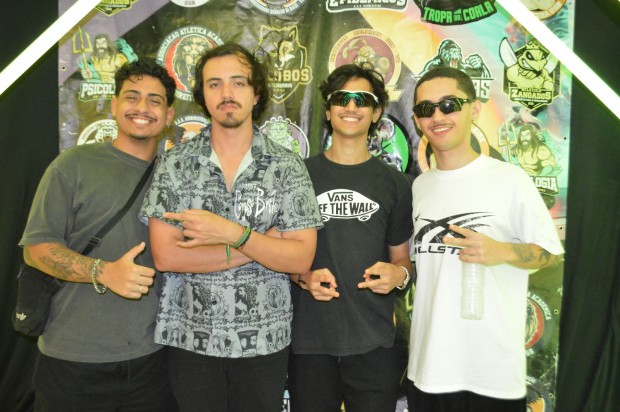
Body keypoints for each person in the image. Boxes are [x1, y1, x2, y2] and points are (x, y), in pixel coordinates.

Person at [140, 43, 322, 412]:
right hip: (190, 339)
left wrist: (231, 233)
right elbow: (167, 256)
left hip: (264, 341)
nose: (227, 93)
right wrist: (256, 244)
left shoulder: (286, 166)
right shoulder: (175, 164)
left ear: (257, 94)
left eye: (238, 83)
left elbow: (300, 259)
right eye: (215, 84)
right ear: (203, 96)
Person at [19, 59, 177, 411]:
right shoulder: (72, 165)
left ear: (169, 115)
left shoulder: (178, 178)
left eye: (154, 100)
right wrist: (103, 271)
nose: (142, 107)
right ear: (114, 105)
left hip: (151, 361)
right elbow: (36, 249)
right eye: (132, 97)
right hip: (72, 360)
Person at [406, 66, 564, 411]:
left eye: (449, 104)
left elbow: (549, 254)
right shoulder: (420, 186)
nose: (437, 116)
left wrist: (502, 251)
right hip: (429, 369)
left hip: (491, 375)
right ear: (417, 119)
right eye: (426, 108)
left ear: (474, 109)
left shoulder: (510, 179)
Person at [287, 64, 414, 412]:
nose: (352, 106)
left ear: (376, 113)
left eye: (363, 99)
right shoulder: (297, 176)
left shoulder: (396, 183)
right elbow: (278, 253)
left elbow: (402, 260)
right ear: (328, 110)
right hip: (310, 344)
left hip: (374, 345)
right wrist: (303, 277)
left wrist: (398, 274)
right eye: (342, 98)